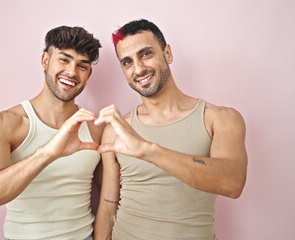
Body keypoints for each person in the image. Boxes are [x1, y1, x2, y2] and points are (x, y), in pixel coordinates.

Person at [93, 19, 248, 240]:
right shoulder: (116, 130)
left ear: (168, 54)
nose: (138, 69)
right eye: (127, 62)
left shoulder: (220, 119)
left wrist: (147, 150)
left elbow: (232, 183)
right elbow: (108, 206)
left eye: (146, 54)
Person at [0, 26, 102, 240]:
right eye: (64, 60)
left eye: (82, 66)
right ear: (45, 61)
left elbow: (111, 196)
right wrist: (48, 152)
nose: (71, 72)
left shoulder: (96, 128)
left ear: (89, 74)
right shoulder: (6, 123)